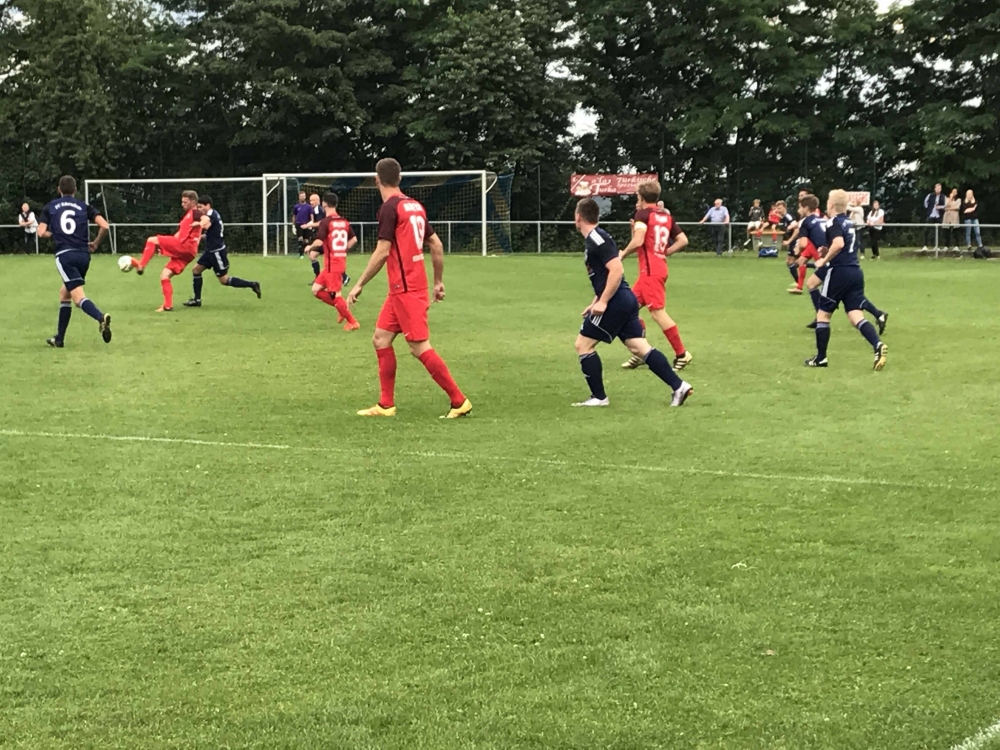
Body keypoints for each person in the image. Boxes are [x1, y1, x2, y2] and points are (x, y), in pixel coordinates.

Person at [346, 158, 472, 419]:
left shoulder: (389, 208)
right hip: (404, 288)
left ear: (377, 180)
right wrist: (438, 281)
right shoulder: (414, 206)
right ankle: (385, 405)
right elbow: (436, 244)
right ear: (400, 178)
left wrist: (359, 284)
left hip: (406, 289)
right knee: (381, 339)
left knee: (419, 347)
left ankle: (459, 401)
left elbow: (383, 251)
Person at [570, 197, 692, 407]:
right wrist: (595, 300)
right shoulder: (595, 238)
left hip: (616, 302)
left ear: (578, 217)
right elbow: (605, 277)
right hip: (624, 299)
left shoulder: (597, 239)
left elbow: (617, 270)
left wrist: (603, 302)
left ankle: (599, 397)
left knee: (583, 345)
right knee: (639, 347)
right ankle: (678, 386)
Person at [804, 189, 887, 371]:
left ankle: (821, 358)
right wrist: (827, 251)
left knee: (823, 315)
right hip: (855, 271)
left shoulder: (833, 221)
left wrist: (823, 260)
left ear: (831, 205)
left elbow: (839, 244)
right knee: (855, 315)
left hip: (838, 272)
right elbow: (844, 246)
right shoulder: (849, 222)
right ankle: (877, 345)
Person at [618, 180, 693, 372]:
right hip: (656, 269)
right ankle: (641, 352)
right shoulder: (665, 216)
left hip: (651, 272)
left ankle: (682, 354)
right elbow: (683, 240)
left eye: (637, 196)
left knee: (658, 313)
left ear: (641, 197)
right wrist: (665, 252)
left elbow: (638, 241)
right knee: (626, 309)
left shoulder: (643, 214)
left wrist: (622, 254)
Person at [36, 176, 112, 348]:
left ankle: (101, 318)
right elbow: (105, 226)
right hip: (84, 256)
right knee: (65, 293)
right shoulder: (84, 206)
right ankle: (59, 339)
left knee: (78, 298)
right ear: (75, 189)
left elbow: (41, 232)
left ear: (59, 189)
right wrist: (95, 243)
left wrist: (54, 234)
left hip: (65, 255)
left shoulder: (50, 206)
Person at [131, 190, 204, 312]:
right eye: (182, 202)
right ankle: (167, 305)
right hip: (189, 253)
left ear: (193, 202)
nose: (182, 204)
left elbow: (205, 219)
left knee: (151, 240)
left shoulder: (196, 213)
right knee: (165, 275)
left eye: (185, 202)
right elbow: (180, 234)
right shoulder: (188, 216)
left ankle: (141, 265)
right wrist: (166, 246)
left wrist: (201, 222)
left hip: (185, 246)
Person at [182, 196, 261, 307]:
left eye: (201, 207)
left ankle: (252, 284)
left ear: (208, 205)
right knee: (196, 270)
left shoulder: (211, 215)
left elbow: (207, 224)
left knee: (224, 280)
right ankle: (197, 300)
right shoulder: (213, 213)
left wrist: (198, 224)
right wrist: (199, 237)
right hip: (210, 251)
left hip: (217, 252)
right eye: (198, 207)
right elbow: (211, 232)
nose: (199, 209)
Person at [306, 192, 359, 331]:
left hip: (333, 265)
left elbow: (319, 241)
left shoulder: (326, 222)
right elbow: (354, 239)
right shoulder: (343, 221)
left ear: (324, 204)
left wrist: (309, 247)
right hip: (333, 264)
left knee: (335, 295)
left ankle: (352, 321)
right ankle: (341, 308)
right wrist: (342, 250)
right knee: (316, 290)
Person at [787, 194, 825, 294]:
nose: (799, 210)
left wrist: (797, 248)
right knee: (801, 262)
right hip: (821, 246)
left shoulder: (806, 221)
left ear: (806, 208)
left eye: (800, 207)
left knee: (821, 279)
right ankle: (799, 287)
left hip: (818, 249)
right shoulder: (821, 219)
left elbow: (803, 244)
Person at [303, 193, 324, 277]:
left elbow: (320, 223)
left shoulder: (318, 209)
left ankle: (344, 276)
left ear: (318, 201)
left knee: (330, 259)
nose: (311, 202)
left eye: (313, 200)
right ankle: (318, 277)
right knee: (312, 255)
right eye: (310, 200)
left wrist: (308, 225)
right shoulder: (315, 210)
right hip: (320, 237)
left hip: (324, 238)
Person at [922, 183, 946, 251]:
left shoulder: (943, 197)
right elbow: (925, 202)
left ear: (941, 189)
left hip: (938, 216)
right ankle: (925, 245)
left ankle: (936, 245)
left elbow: (946, 205)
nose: (938, 189)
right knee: (927, 230)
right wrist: (929, 209)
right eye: (937, 188)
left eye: (939, 188)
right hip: (931, 215)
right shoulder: (930, 195)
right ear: (935, 189)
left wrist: (940, 207)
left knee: (938, 231)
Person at [291, 191, 311, 258]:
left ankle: (307, 252)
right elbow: (294, 216)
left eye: (303, 196)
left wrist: (311, 224)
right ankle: (301, 254)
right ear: (299, 197)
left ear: (305, 197)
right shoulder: (296, 206)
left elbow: (311, 216)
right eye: (301, 196)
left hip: (306, 225)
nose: (302, 197)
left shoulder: (308, 206)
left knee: (306, 240)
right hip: (299, 224)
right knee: (300, 239)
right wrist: (293, 225)